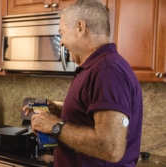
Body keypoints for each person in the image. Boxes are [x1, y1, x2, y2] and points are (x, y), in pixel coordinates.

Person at [25, 0, 143, 166]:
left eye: (62, 33)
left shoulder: (107, 71)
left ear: (80, 28)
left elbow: (110, 147)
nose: (61, 42)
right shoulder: (96, 67)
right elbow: (89, 118)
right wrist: (59, 111)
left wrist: (54, 126)